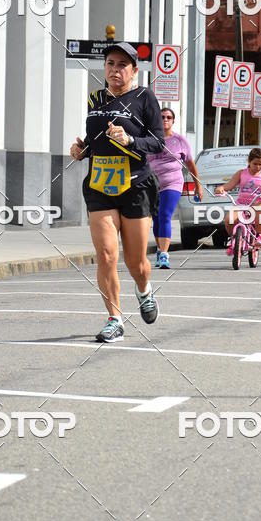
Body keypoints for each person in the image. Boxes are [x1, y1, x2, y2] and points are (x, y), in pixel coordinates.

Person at [69, 42, 165, 342]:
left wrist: (131, 141)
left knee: (136, 263)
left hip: (136, 185)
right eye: (110, 63)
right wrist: (82, 150)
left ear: (134, 70)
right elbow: (95, 137)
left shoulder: (144, 97)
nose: (114, 70)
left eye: (122, 65)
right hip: (100, 184)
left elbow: (158, 143)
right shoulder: (95, 98)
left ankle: (144, 290)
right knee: (107, 255)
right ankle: (114, 318)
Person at [147, 107, 203, 269]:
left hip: (173, 183)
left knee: (165, 215)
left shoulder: (180, 141)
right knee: (156, 219)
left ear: (173, 121)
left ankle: (164, 255)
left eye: (169, 117)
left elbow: (191, 166)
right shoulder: (150, 138)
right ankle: (160, 250)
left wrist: (198, 186)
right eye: (162, 117)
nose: (165, 119)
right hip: (152, 184)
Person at [214, 148, 261, 250]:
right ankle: (235, 238)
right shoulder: (241, 173)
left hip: (257, 203)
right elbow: (229, 185)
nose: (258, 167)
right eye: (255, 164)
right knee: (229, 219)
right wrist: (221, 188)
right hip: (241, 204)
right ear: (249, 161)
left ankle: (259, 236)